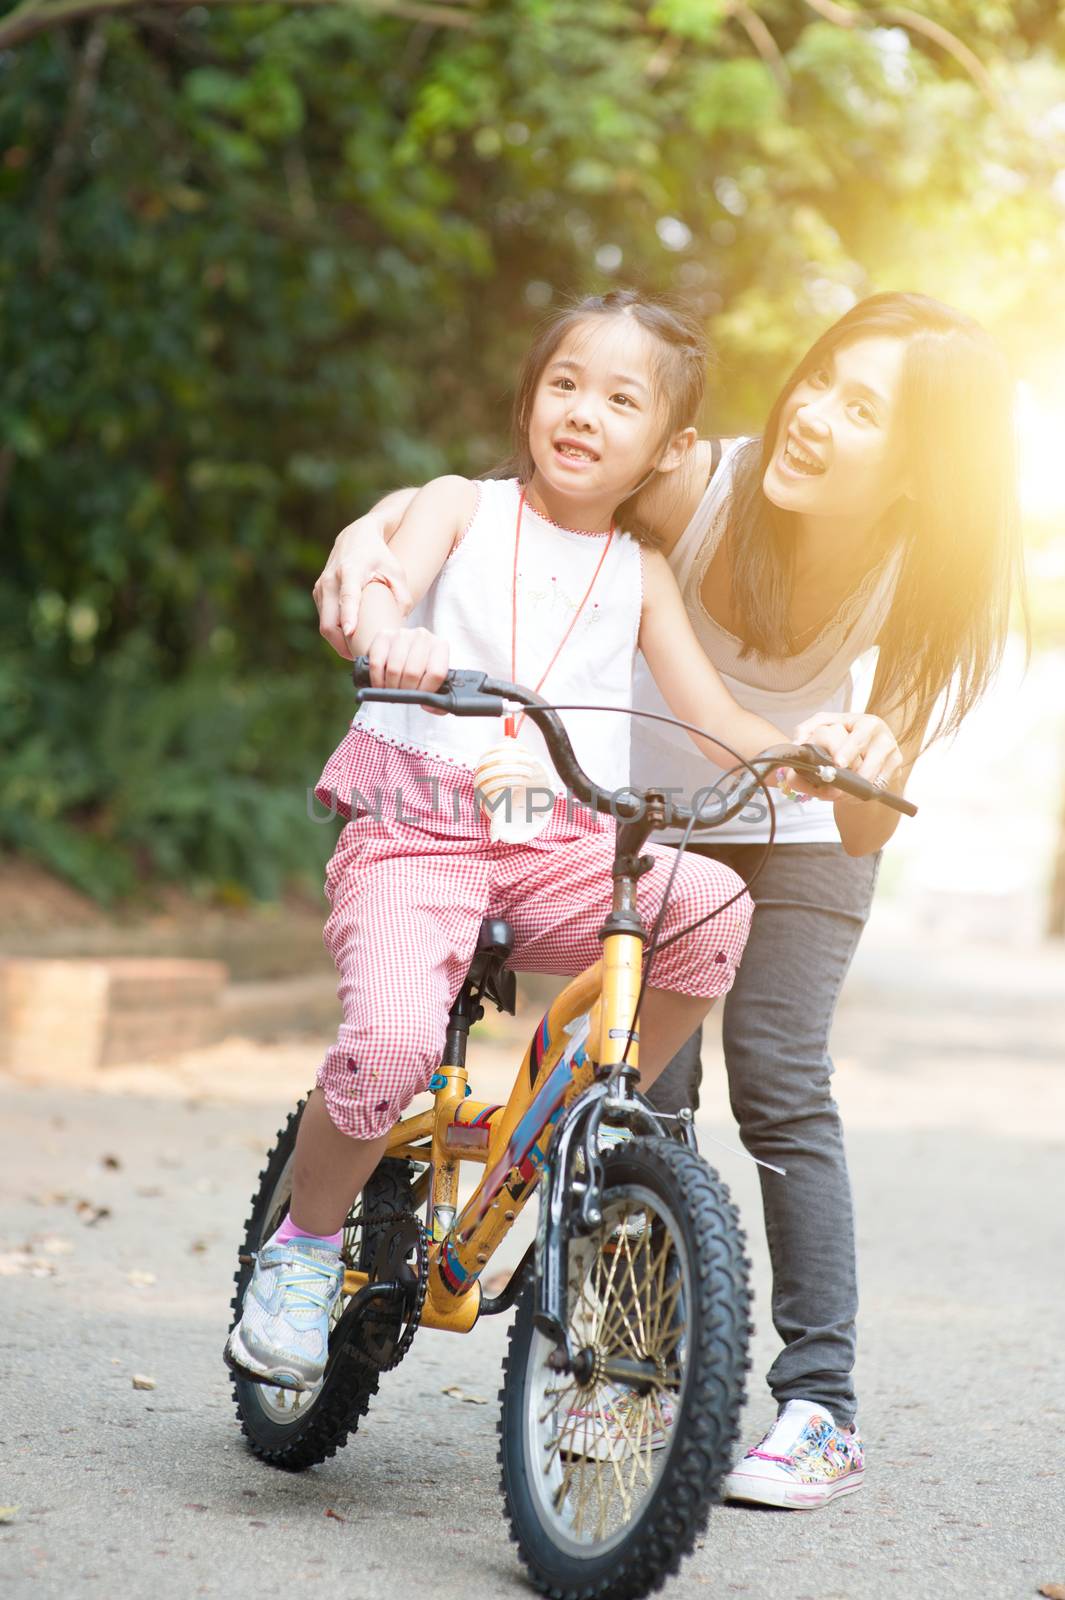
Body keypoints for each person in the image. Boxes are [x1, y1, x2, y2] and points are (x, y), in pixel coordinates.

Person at [314, 291, 1023, 1508]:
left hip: (794, 826)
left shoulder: (929, 586)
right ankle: (612, 1377)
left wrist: (865, 748)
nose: (811, 417)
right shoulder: (698, 488)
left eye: (866, 413)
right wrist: (369, 536)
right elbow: (521, 498)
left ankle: (819, 1409)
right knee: (640, 1102)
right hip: (642, 813)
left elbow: (857, 820)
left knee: (784, 1081)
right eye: (821, 381)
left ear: (920, 467)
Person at [225, 289, 865, 1400]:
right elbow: (382, 579)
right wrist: (392, 638)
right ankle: (306, 1245)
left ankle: (579, 1125)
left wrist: (805, 749)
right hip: (420, 831)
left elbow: (712, 716)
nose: (583, 412)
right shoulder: (459, 507)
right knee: (386, 1049)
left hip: (552, 837)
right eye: (565, 383)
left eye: (622, 400)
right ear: (530, 398)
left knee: (708, 905)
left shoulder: (641, 571)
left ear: (667, 448)